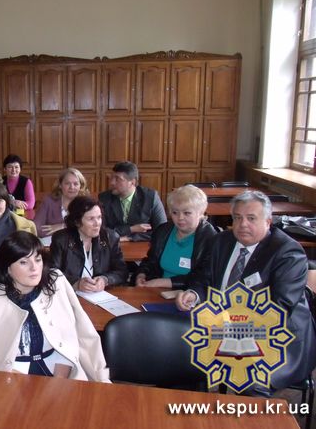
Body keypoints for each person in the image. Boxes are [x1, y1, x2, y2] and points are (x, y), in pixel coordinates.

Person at [176, 191, 316, 393]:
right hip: (220, 328)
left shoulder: (287, 253)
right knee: (179, 351)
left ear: (268, 222)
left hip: (276, 339)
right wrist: (194, 294)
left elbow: (278, 310)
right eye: (237, 218)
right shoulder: (220, 241)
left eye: (251, 218)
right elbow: (203, 278)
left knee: (250, 378)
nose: (243, 225)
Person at [0, 231, 109, 381]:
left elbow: (80, 333)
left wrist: (99, 377)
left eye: (38, 260)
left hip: (60, 367)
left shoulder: (56, 282)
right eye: (23, 262)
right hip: (9, 375)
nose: (34, 268)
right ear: (8, 268)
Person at [133, 185, 217, 289]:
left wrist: (164, 282)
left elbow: (204, 277)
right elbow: (150, 261)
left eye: (187, 213)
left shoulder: (211, 239)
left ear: (200, 213)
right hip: (155, 289)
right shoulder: (162, 231)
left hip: (188, 293)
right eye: (175, 212)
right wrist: (141, 274)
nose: (180, 218)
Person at [50, 196, 128, 291]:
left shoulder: (110, 238)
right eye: (91, 219)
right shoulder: (61, 239)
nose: (97, 223)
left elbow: (122, 272)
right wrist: (76, 283)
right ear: (77, 222)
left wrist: (105, 280)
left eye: (99, 217)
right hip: (70, 294)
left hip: (102, 295)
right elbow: (52, 272)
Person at [98, 161, 167, 242]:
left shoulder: (150, 197)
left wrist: (129, 238)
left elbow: (162, 231)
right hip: (113, 245)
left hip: (142, 245)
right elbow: (102, 230)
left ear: (132, 182)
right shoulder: (104, 198)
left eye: (117, 179)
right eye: (111, 178)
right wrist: (131, 229)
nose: (112, 182)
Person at [34, 167, 89, 240]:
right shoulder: (48, 201)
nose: (71, 187)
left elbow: (88, 227)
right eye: (67, 183)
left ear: (80, 186)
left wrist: (63, 226)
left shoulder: (86, 203)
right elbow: (36, 228)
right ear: (60, 185)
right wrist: (70, 229)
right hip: (51, 242)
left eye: (75, 184)